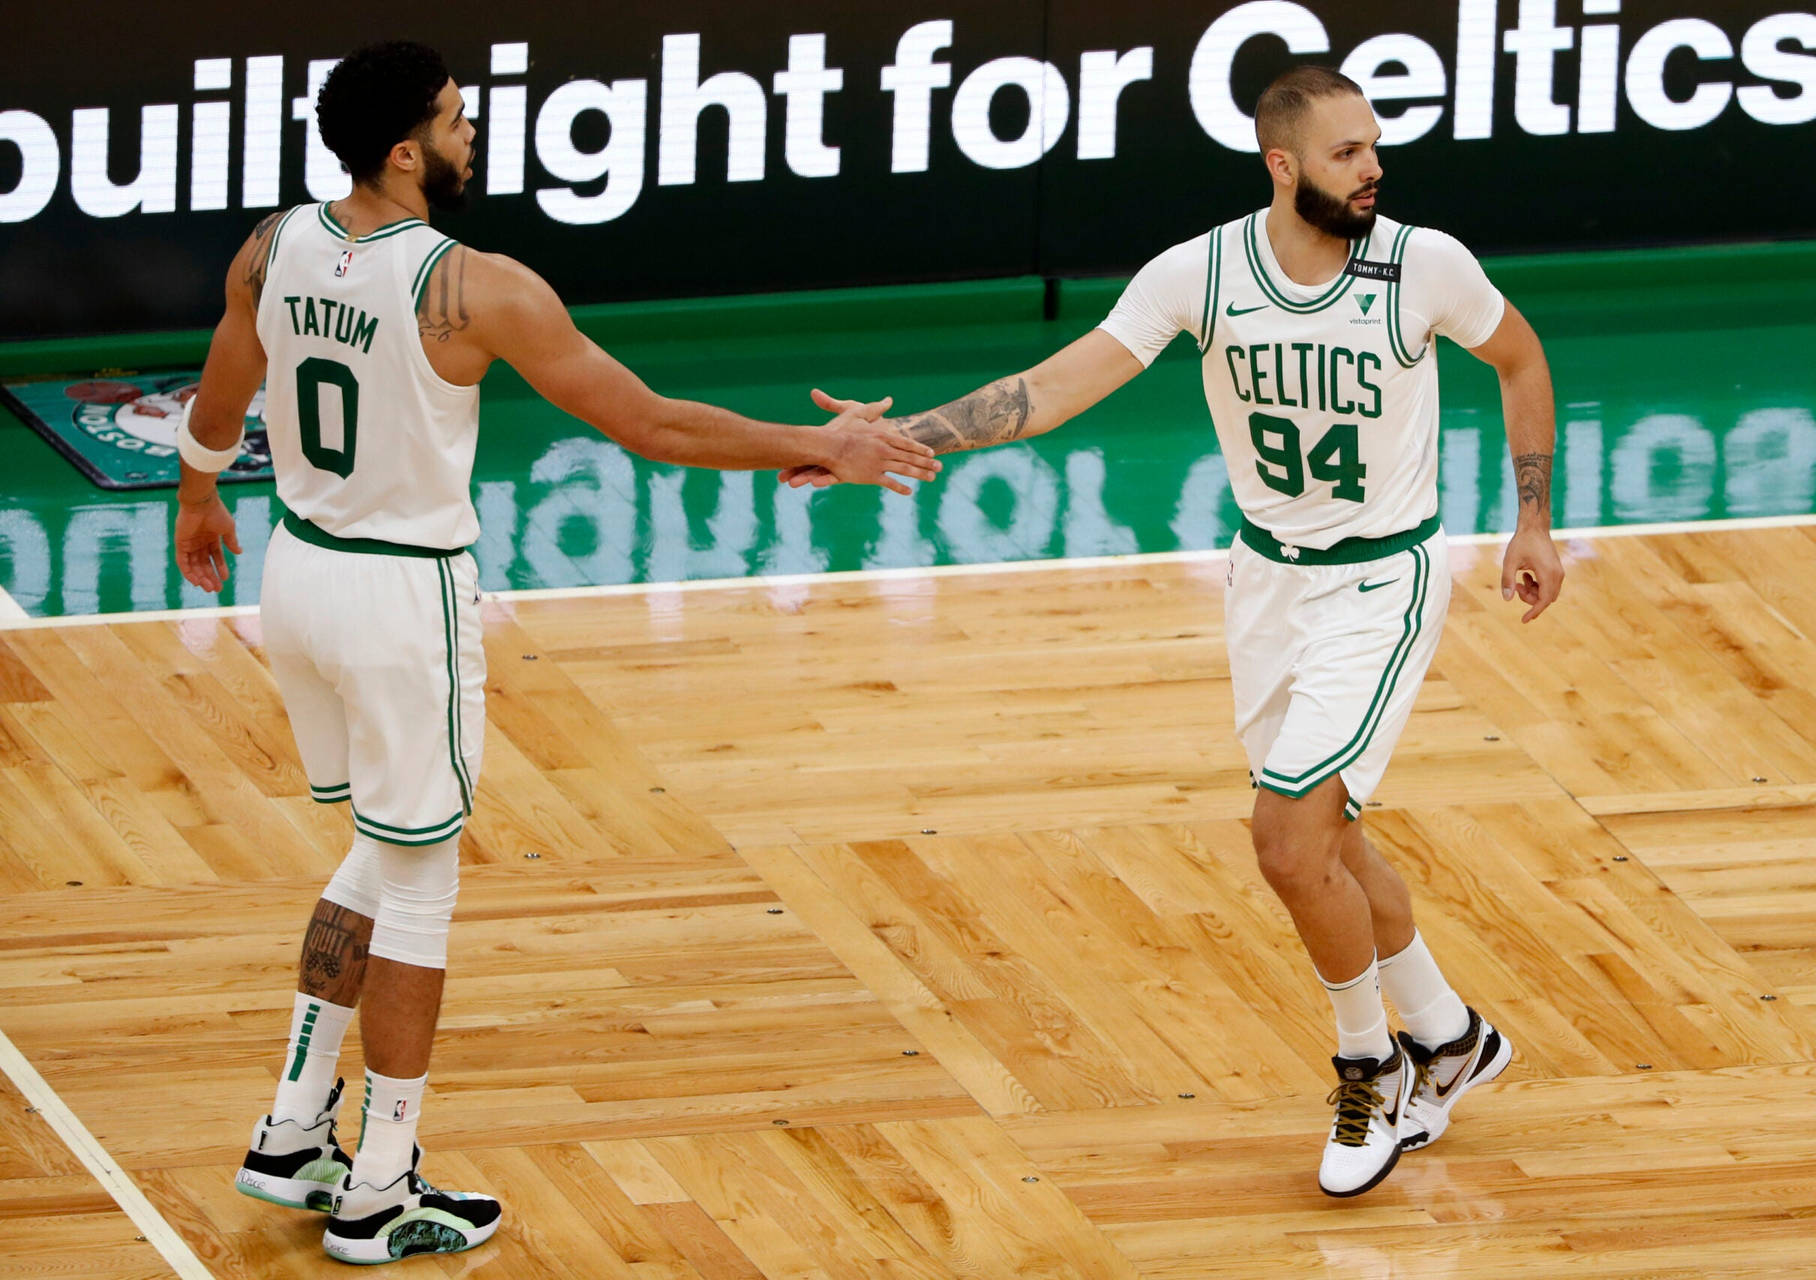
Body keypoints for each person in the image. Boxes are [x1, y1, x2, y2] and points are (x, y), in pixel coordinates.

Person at [173, 41, 936, 1265]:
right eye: (458, 123)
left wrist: (197, 496)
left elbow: (219, 394)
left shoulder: (273, 247)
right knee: (422, 880)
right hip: (402, 597)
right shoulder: (472, 288)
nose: (474, 138)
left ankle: (291, 1127)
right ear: (408, 150)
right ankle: (379, 1187)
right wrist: (816, 440)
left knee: (373, 848)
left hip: (298, 579)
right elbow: (652, 423)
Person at [783, 65, 1563, 1198]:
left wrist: (1532, 518)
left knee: (1286, 839)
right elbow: (1053, 387)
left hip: (1380, 582)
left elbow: (1521, 356)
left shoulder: (1423, 263)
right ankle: (1450, 1035)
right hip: (1265, 582)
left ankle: (1370, 1063)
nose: (1375, 169)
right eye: (1348, 153)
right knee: (1329, 843)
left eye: (1375, 147)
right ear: (1283, 165)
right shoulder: (1202, 271)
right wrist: (903, 434)